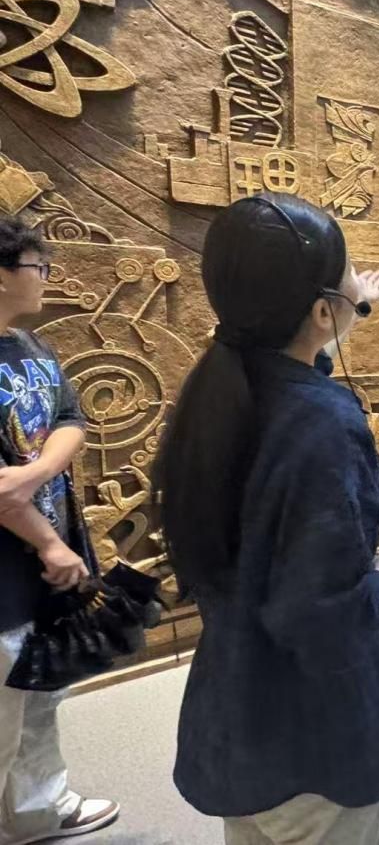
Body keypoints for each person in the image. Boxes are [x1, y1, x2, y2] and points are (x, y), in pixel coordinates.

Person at [155, 195, 379, 843]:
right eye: (349, 274)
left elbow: (293, 368)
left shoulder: (220, 393)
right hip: (317, 747)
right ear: (321, 311)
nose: (359, 284)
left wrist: (344, 317)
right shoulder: (325, 425)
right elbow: (323, 620)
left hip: (239, 721)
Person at [0, 221, 121, 844]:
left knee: (39, 692)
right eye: (37, 267)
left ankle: (37, 810)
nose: (47, 277)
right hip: (11, 564)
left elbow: (71, 416)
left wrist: (38, 471)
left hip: (46, 554)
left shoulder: (31, 346)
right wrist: (48, 541)